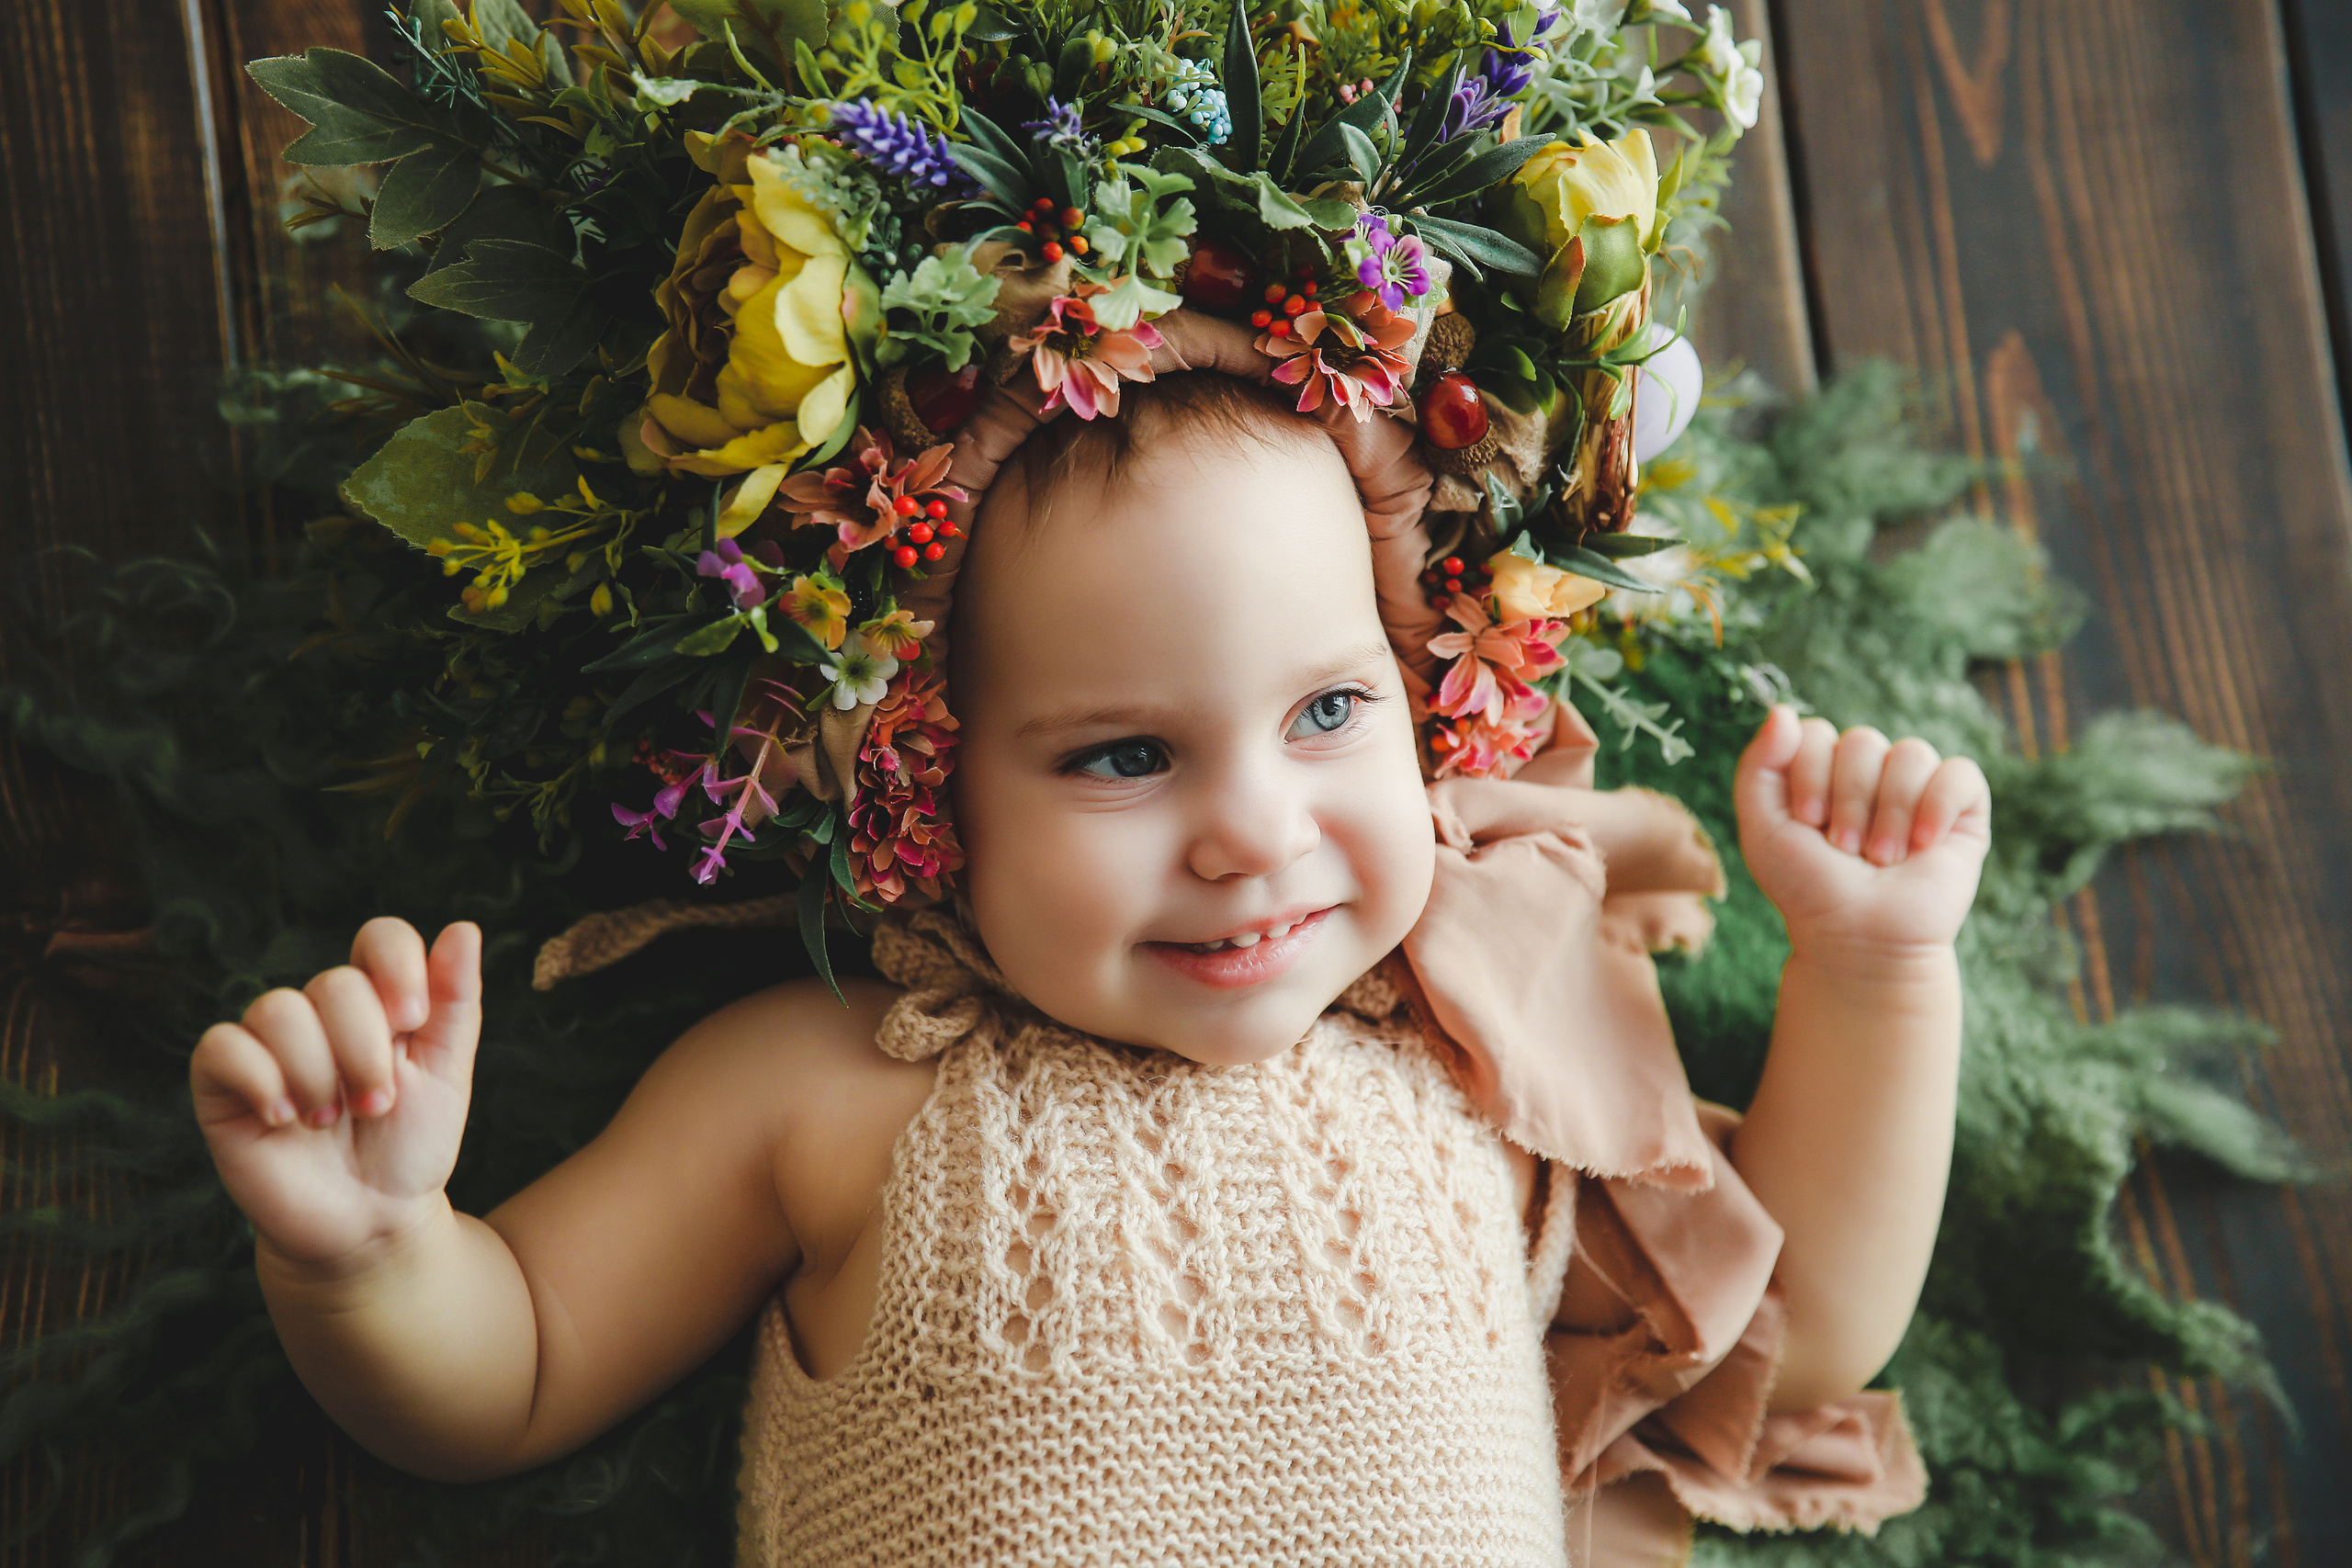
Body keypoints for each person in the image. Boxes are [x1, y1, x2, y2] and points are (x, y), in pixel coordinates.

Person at [189, 325, 1987, 1564]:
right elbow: (509, 1368)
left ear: (1427, 702)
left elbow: (1799, 1332)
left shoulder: (1482, 1037)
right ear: (919, 780)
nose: (1253, 830)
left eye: (1324, 711)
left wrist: (1876, 972)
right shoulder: (824, 1091)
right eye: (1123, 754)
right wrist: (369, 1252)